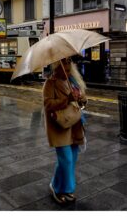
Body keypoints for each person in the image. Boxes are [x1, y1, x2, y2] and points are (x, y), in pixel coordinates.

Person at [43, 57, 87, 205]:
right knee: (66, 160)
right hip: (60, 128)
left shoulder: (74, 81)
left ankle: (55, 185)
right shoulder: (50, 83)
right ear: (57, 66)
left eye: (69, 64)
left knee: (69, 161)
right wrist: (66, 100)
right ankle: (65, 190)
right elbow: (48, 104)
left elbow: (83, 100)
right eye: (64, 64)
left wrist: (81, 98)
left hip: (74, 125)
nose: (67, 67)